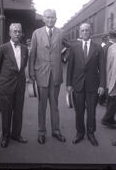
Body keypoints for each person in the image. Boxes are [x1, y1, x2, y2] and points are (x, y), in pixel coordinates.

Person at [29, 9, 66, 144]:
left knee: (55, 106)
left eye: (53, 17)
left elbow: (69, 48)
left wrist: (65, 56)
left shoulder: (61, 33)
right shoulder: (36, 33)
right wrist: (31, 73)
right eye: (48, 17)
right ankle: (41, 132)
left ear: (56, 19)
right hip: (41, 75)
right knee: (42, 105)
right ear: (43, 19)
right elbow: (32, 54)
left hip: (55, 75)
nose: (50, 20)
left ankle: (56, 131)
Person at [66, 23, 105, 146]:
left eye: (87, 30)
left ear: (91, 32)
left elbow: (102, 68)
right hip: (77, 85)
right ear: (80, 32)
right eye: (82, 31)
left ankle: (91, 133)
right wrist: (68, 84)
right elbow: (70, 67)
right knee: (79, 111)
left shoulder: (98, 48)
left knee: (92, 112)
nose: (84, 33)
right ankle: (80, 133)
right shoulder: (74, 47)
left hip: (93, 85)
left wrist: (102, 85)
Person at [0, 23, 28, 148]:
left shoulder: (24, 49)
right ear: (10, 33)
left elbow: (23, 66)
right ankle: (5, 137)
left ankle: (16, 135)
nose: (18, 33)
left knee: (18, 112)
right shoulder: (3, 48)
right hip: (6, 87)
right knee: (6, 113)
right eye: (15, 31)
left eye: (19, 31)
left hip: (20, 86)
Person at [101, 31, 116, 128]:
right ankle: (107, 119)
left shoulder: (105, 46)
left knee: (110, 100)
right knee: (114, 100)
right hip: (111, 77)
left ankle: (110, 119)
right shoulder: (111, 47)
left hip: (106, 76)